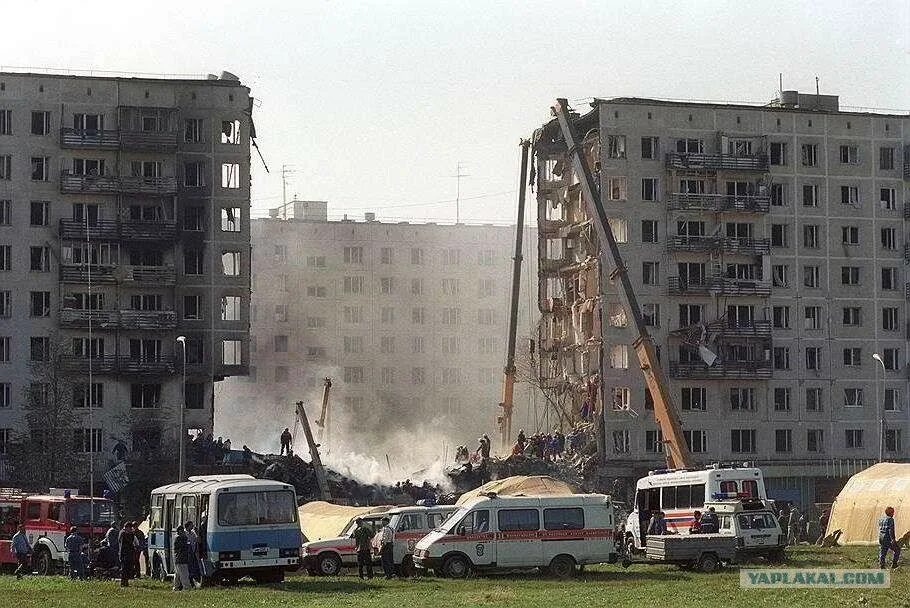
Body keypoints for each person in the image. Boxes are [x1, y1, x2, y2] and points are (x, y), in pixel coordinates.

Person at [172, 525, 192, 591]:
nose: (184, 531)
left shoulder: (176, 537)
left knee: (177, 574)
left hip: (177, 559)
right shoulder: (180, 538)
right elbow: (185, 545)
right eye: (182, 530)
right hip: (182, 559)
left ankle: (176, 587)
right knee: (184, 574)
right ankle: (186, 587)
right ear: (180, 531)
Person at [118, 521, 137, 587]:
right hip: (125, 553)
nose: (131, 529)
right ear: (127, 527)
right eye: (130, 528)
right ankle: (123, 582)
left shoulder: (124, 533)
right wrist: (131, 534)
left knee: (127, 568)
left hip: (127, 553)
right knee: (124, 569)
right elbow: (129, 542)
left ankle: (125, 582)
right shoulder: (124, 533)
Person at [184, 521, 200, 586]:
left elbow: (198, 540)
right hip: (186, 553)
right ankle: (189, 582)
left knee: (192, 568)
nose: (193, 526)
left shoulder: (193, 533)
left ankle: (192, 581)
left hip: (192, 553)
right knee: (188, 568)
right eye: (191, 525)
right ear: (188, 526)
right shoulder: (184, 533)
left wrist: (197, 533)